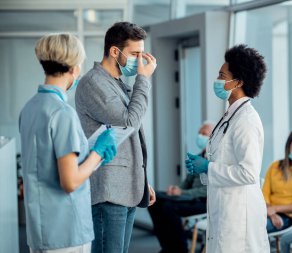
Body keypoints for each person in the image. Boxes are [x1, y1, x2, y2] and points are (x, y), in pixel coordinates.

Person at [19, 33, 117, 253]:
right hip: (67, 232)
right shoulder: (63, 113)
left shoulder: (29, 109)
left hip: (40, 230)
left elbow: (44, 163)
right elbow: (70, 181)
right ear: (74, 67)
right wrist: (97, 152)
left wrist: (91, 155)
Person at [75, 22, 157, 253]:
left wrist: (142, 179)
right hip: (108, 191)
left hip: (127, 187)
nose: (140, 61)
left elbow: (128, 138)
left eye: (142, 54)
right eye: (135, 54)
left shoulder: (117, 84)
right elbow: (129, 122)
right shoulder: (93, 83)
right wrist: (143, 79)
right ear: (114, 51)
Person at [185, 44, 270, 252]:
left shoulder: (246, 120)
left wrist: (208, 167)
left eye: (222, 75)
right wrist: (203, 167)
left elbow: (249, 173)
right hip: (224, 207)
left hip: (239, 213)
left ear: (239, 81)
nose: (218, 80)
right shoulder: (230, 116)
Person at [148, 122, 214, 253]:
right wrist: (176, 189)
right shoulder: (198, 157)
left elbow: (206, 189)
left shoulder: (214, 159)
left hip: (203, 201)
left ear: (213, 137)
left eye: (204, 134)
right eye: (199, 133)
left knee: (168, 207)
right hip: (188, 196)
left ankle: (180, 249)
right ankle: (168, 246)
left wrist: (181, 192)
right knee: (153, 200)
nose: (200, 136)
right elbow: (187, 181)